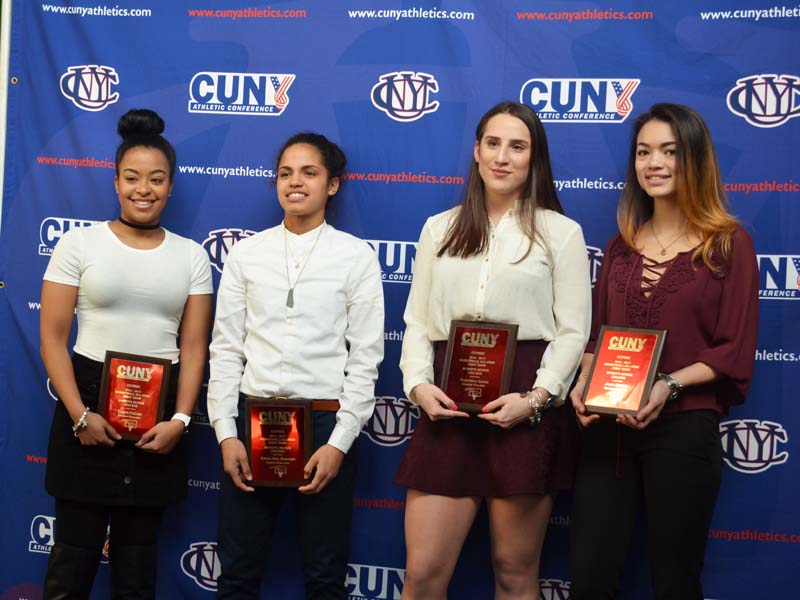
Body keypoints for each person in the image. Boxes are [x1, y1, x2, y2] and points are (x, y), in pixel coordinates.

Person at [396, 101, 591, 600]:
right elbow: (417, 321)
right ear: (477, 151)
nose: (503, 156)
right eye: (493, 143)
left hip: (526, 403)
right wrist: (419, 384)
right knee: (422, 576)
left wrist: (538, 397)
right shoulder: (438, 228)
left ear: (534, 158)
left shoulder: (561, 233)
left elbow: (572, 332)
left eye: (518, 146)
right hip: (446, 406)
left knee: (514, 572)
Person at [569, 103, 759, 600]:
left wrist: (668, 385)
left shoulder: (728, 244)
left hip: (683, 426)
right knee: (589, 579)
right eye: (643, 152)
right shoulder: (620, 247)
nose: (654, 163)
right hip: (607, 432)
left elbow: (733, 349)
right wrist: (582, 387)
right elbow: (596, 341)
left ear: (694, 158)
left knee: (675, 581)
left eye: (669, 151)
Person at [40, 108, 213, 599]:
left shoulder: (192, 256)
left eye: (156, 179)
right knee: (72, 558)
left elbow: (194, 345)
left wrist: (180, 420)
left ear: (171, 187)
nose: (144, 189)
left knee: (137, 567)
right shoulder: (79, 244)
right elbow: (53, 338)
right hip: (86, 402)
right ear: (115, 182)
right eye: (132, 178)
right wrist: (79, 415)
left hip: (157, 416)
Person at [207, 132, 384, 599]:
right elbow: (225, 349)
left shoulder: (356, 257)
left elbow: (366, 360)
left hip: (325, 425)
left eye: (309, 172)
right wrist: (226, 434)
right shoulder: (246, 254)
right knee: (238, 571)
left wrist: (340, 443)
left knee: (325, 575)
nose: (295, 182)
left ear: (333, 185)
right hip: (253, 421)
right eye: (285, 173)